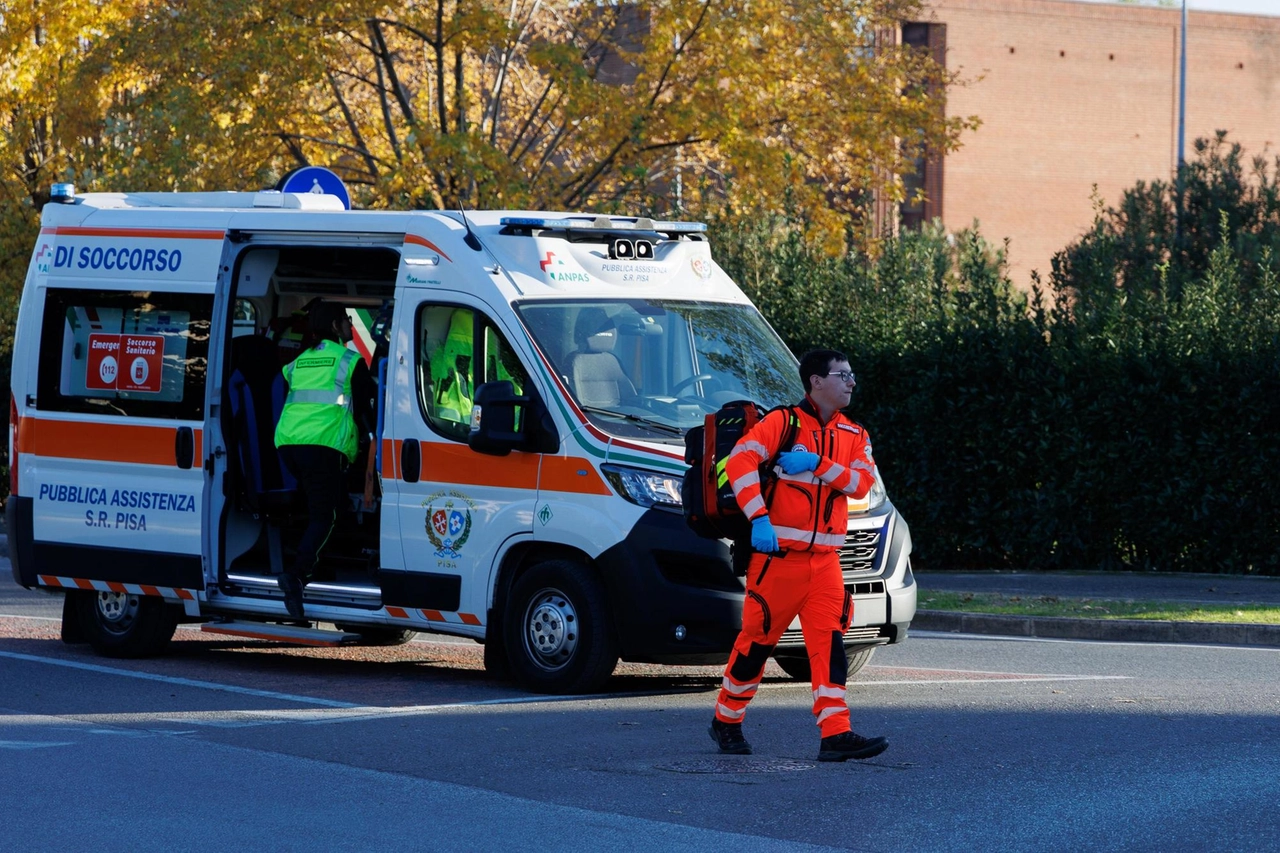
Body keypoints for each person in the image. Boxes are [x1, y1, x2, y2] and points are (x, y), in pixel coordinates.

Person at [708, 349, 890, 762]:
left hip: (826, 563)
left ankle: (835, 733)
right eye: (842, 375)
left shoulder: (855, 435)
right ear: (815, 382)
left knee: (830, 646)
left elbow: (861, 485)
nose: (851, 382)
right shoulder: (783, 422)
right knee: (756, 643)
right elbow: (739, 461)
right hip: (778, 561)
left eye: (851, 374)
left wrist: (817, 463)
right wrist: (758, 518)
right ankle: (726, 720)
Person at [274, 301, 375, 618]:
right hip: (322, 446)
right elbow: (367, 406)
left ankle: (325, 565)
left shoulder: (299, 361)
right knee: (324, 516)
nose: (350, 325)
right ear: (335, 327)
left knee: (330, 506)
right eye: (346, 320)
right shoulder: (349, 360)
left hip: (289, 444)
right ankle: (297, 576)